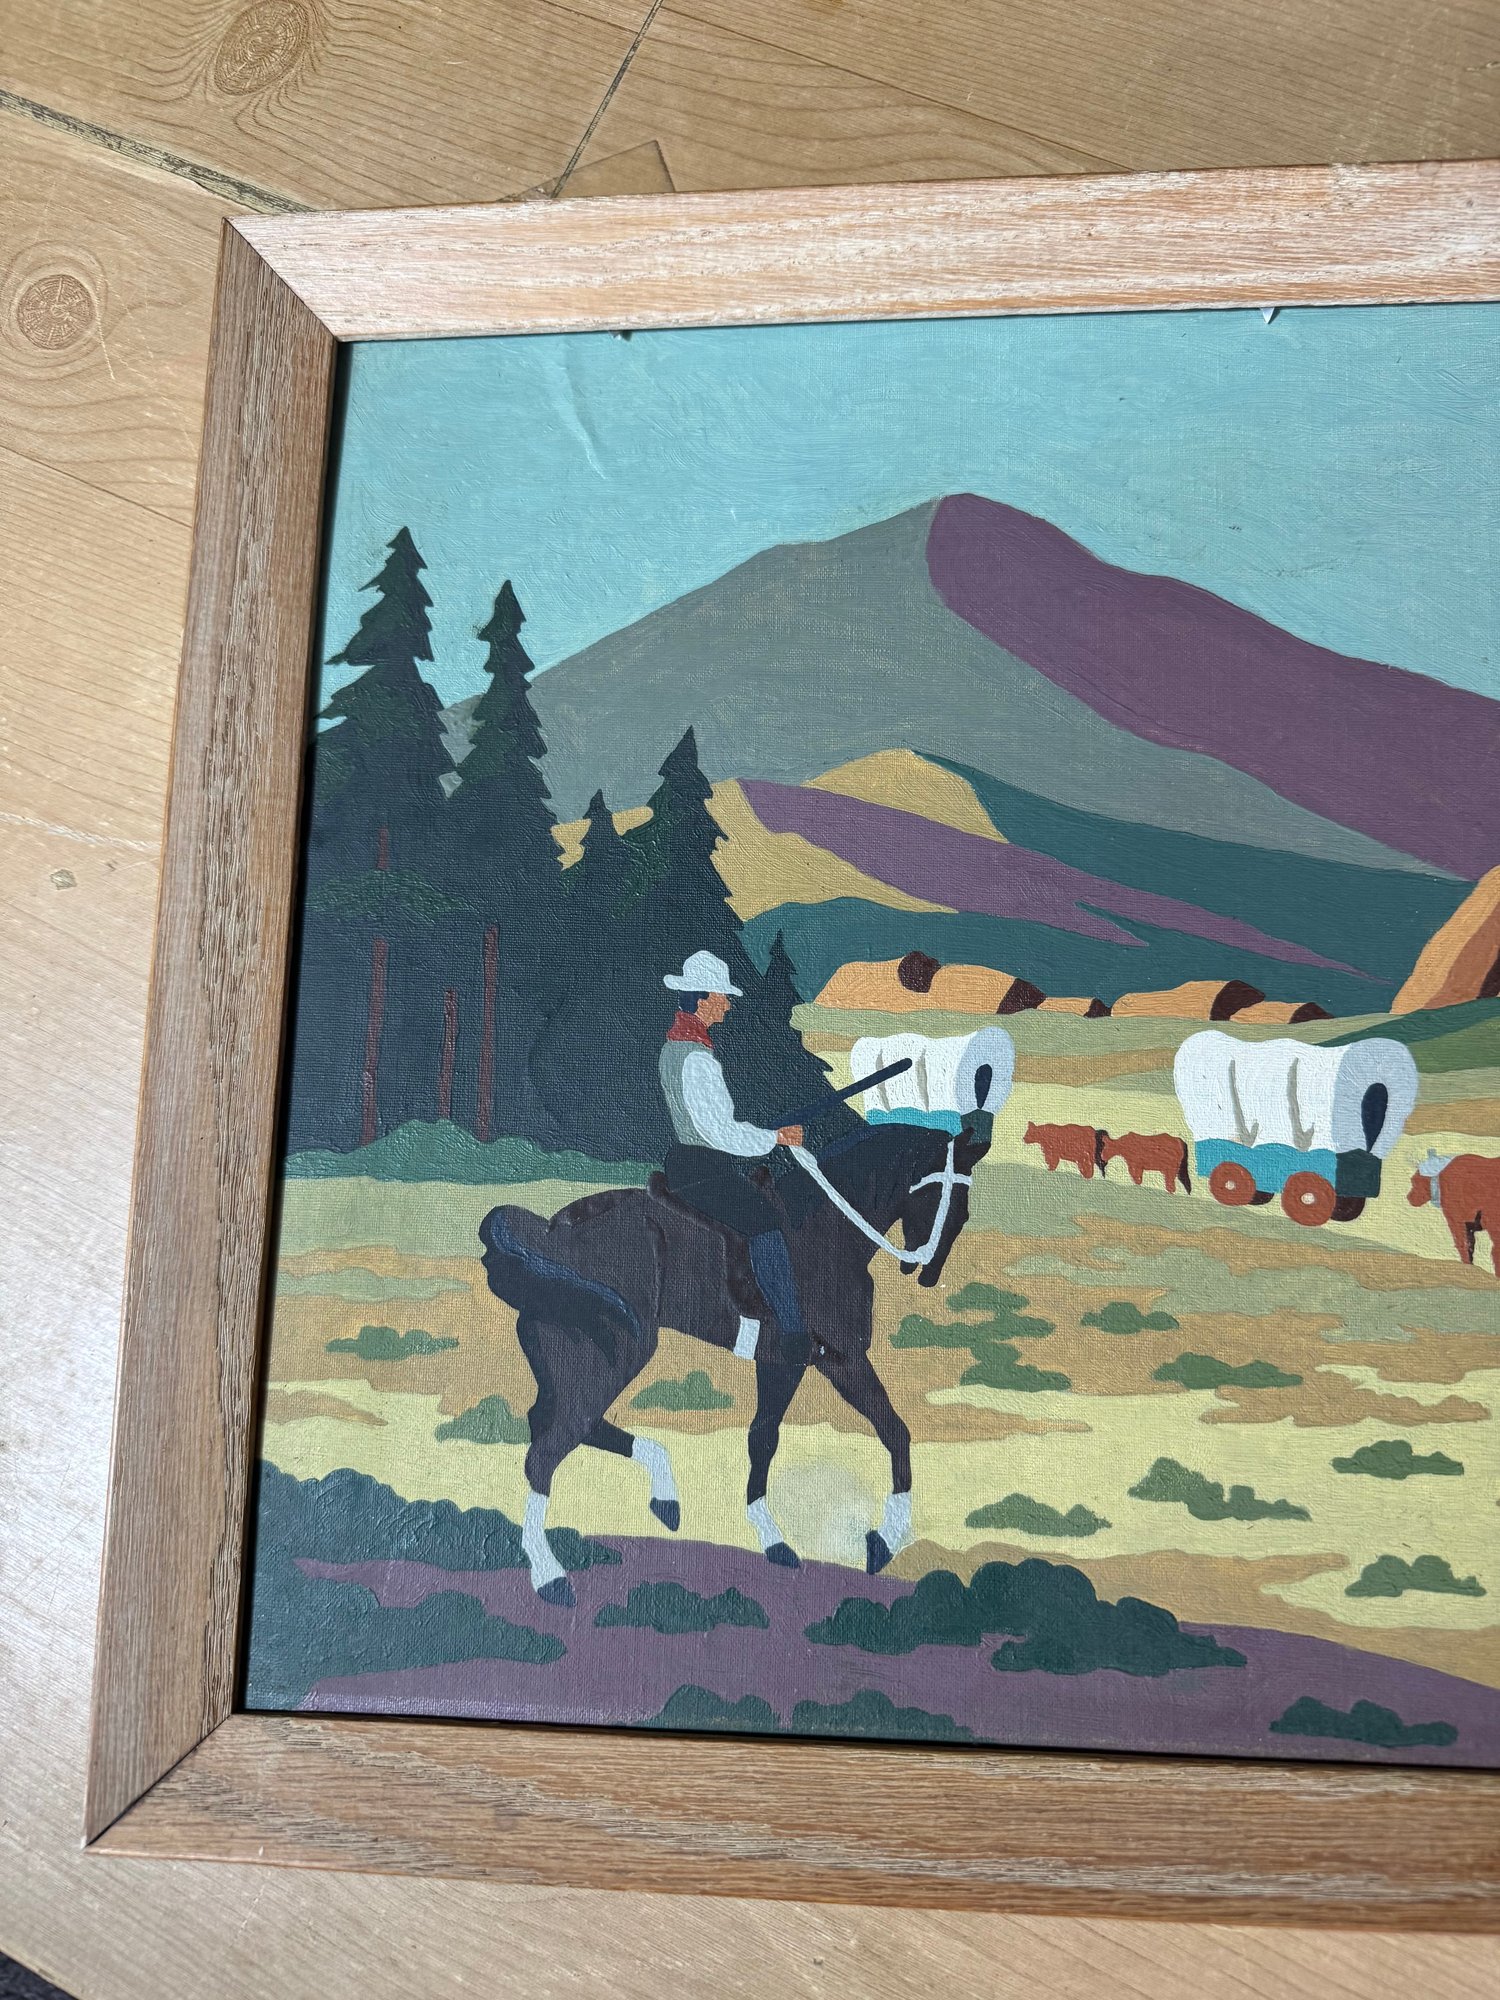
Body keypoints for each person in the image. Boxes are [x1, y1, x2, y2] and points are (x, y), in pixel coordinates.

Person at [657, 950, 810, 1364]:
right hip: (704, 1167)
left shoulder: (675, 1047)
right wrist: (776, 1138)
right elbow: (719, 1132)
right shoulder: (697, 1059)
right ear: (703, 998)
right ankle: (793, 1333)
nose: (727, 1004)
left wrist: (764, 1135)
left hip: (687, 1161)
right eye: (722, 996)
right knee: (766, 1224)